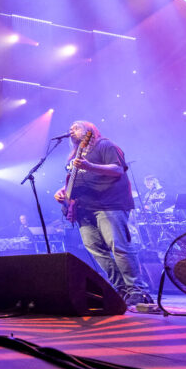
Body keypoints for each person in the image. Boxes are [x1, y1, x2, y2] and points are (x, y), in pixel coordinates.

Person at [53, 121, 152, 308]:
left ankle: (138, 290)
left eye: (76, 127)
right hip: (84, 208)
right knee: (95, 249)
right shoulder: (74, 155)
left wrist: (90, 166)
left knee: (119, 247)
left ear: (89, 131)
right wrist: (63, 192)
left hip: (108, 204)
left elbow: (117, 170)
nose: (70, 130)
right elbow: (76, 179)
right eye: (70, 128)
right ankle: (121, 288)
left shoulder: (105, 145)